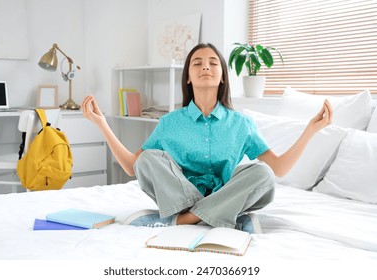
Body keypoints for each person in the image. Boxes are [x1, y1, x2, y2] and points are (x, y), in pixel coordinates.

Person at [82, 43, 333, 233]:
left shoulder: (241, 123)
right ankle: (224, 217)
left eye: (213, 63)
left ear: (222, 76)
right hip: (182, 200)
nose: (205, 66)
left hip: (221, 196)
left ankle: (185, 220)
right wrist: (102, 124)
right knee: (147, 158)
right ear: (188, 77)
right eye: (197, 63)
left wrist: (310, 130)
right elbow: (132, 167)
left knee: (263, 174)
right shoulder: (169, 122)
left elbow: (278, 168)